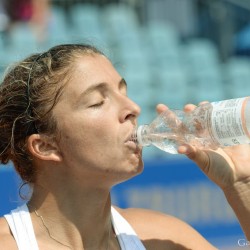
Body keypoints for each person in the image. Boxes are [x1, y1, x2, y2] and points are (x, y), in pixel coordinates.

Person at [0, 43, 249, 250]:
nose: (133, 108)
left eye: (123, 91)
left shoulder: (163, 238)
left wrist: (241, 186)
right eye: (97, 102)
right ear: (45, 146)